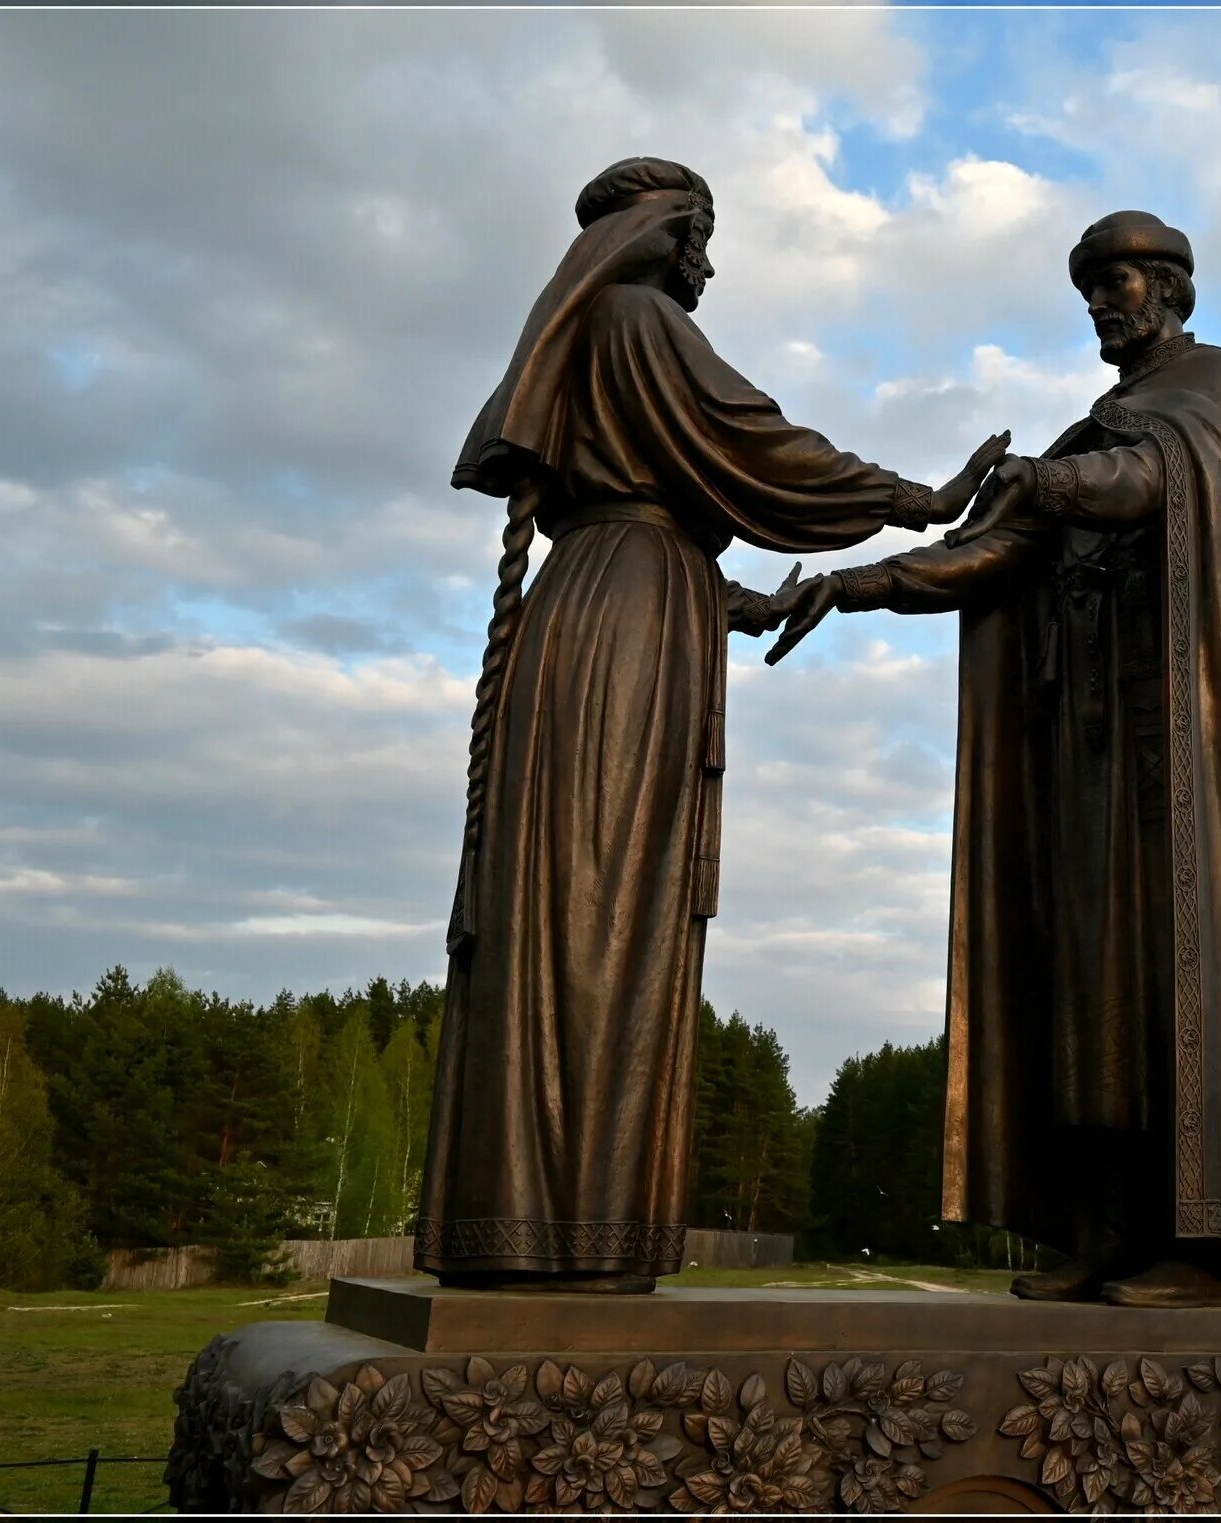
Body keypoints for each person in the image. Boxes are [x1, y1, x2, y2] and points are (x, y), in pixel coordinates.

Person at [415, 157, 1007, 1292]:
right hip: (625, 628)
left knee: (579, 912)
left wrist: (739, 601)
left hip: (618, 605)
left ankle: (550, 1221)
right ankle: (569, 1231)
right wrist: (912, 499)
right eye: (701, 232)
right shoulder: (637, 316)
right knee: (598, 915)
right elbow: (752, 439)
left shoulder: (595, 339)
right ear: (659, 231)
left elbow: (669, 513)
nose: (710, 260)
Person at [767, 212, 1221, 1308]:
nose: (1103, 303)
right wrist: (846, 584)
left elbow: (1146, 483)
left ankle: (1200, 1250)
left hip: (1182, 744)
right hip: (1089, 749)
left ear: (1173, 289)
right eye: (1091, 287)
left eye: (1121, 283)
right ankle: (1105, 1229)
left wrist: (1042, 488)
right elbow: (991, 554)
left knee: (1171, 975)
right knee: (1088, 987)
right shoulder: (1084, 432)